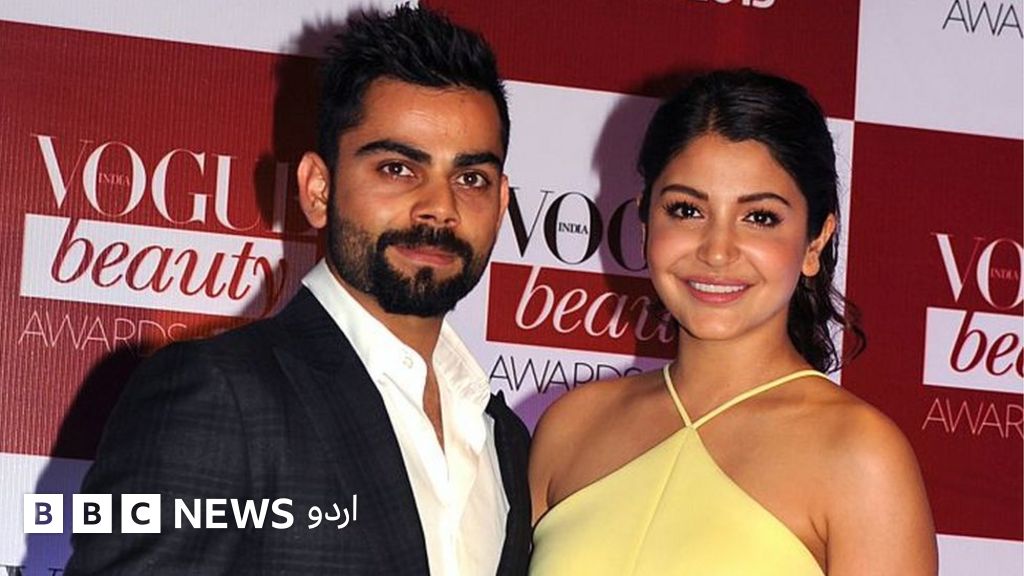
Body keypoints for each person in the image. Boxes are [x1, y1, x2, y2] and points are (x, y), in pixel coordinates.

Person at [66, 6, 530, 575]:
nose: (440, 207)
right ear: (318, 189)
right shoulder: (219, 394)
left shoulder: (503, 439)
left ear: (501, 205)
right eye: (397, 169)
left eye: (471, 178)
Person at [528, 70, 937, 575]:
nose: (717, 251)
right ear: (644, 222)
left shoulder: (860, 455)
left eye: (759, 217)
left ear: (816, 241)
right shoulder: (571, 427)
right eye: (686, 210)